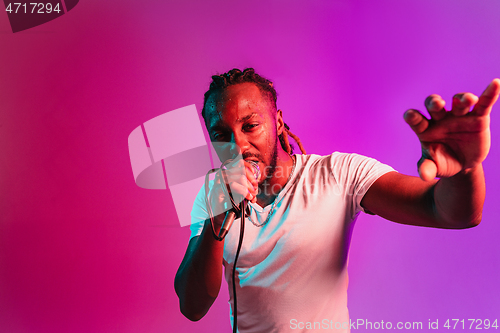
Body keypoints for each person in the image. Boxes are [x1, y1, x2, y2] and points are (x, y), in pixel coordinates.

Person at [174, 68, 500, 332]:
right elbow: (192, 307)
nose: (239, 145)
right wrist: (217, 222)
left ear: (278, 122)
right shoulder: (212, 195)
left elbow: (448, 213)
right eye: (221, 134)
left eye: (251, 126)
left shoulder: (338, 174)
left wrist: (464, 170)